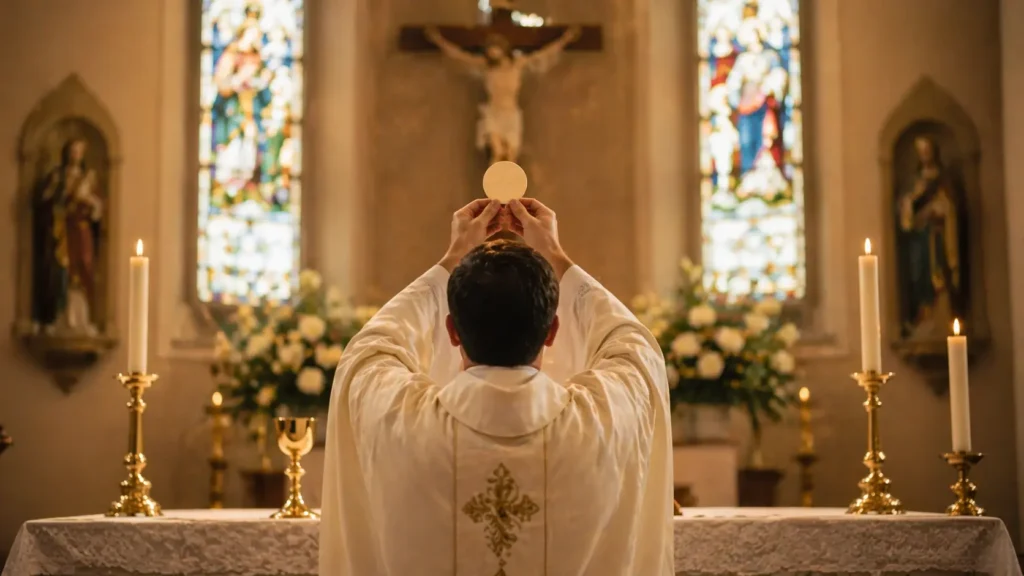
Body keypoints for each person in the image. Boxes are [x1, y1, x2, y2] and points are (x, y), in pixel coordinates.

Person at [320, 198, 673, 575]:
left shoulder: (401, 420)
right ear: (552, 331)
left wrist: (450, 259)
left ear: (452, 330)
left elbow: (369, 350)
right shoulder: (601, 420)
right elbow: (635, 348)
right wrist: (556, 256)